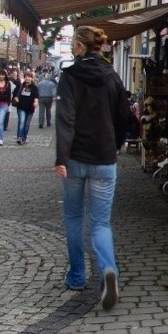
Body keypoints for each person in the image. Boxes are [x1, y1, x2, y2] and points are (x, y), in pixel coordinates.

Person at [54, 26, 129, 310]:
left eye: (74, 44)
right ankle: (109, 270)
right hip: (105, 159)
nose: (72, 48)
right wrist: (117, 145)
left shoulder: (69, 77)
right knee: (100, 223)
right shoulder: (113, 77)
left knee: (73, 218)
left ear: (82, 47)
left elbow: (66, 120)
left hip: (74, 159)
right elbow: (123, 116)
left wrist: (61, 158)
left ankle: (76, 276)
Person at [14, 70, 39, 144]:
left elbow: (36, 97)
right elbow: (15, 94)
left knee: (27, 124)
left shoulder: (34, 87)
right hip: (21, 107)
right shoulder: (20, 86)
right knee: (21, 122)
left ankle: (24, 137)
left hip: (30, 108)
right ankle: (19, 137)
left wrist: (36, 102)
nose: (27, 78)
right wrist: (15, 98)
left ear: (32, 78)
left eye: (29, 77)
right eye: (26, 77)